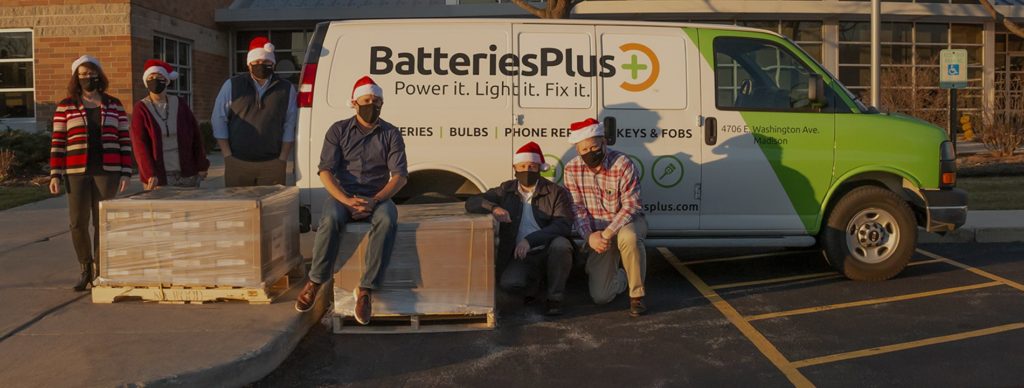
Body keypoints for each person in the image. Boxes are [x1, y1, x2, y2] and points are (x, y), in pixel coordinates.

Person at [295, 76, 408, 326]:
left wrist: (375, 200)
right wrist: (346, 200)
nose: (372, 105)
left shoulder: (391, 133)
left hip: (376, 197)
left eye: (377, 101)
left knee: (388, 219)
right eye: (366, 100)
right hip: (343, 195)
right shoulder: (338, 130)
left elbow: (399, 177)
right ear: (355, 103)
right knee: (330, 219)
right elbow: (325, 171)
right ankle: (315, 280)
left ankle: (366, 289)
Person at [48, 55, 132, 291]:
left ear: (100, 76)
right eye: (83, 75)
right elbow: (58, 141)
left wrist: (126, 171)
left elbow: (124, 139)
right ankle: (86, 267)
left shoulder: (114, 104)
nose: (88, 78)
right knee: (77, 222)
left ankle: (102, 271)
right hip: (75, 171)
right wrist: (55, 173)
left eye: (92, 74)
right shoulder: (66, 105)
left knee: (103, 222)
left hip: (108, 171)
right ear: (76, 78)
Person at [466, 142, 575, 315]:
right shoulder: (506, 189)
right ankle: (535, 286)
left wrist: (530, 240)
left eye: (532, 166)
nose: (527, 170)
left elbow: (563, 224)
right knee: (508, 284)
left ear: (540, 168)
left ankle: (555, 297)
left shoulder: (555, 192)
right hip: (519, 254)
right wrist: (493, 208)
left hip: (545, 248)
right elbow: (472, 202)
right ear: (515, 167)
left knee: (561, 246)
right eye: (522, 166)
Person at [563, 118, 649, 317]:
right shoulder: (571, 169)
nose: (590, 153)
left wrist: (608, 233)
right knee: (601, 297)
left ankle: (637, 295)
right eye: (584, 150)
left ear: (604, 142)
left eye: (594, 147)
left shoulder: (622, 163)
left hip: (627, 221)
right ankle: (622, 276)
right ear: (578, 151)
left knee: (629, 238)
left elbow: (632, 205)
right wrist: (589, 236)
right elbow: (577, 209)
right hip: (597, 232)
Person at [210, 36, 296, 187]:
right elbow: (218, 118)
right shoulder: (232, 85)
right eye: (256, 62)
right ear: (249, 64)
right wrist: (227, 155)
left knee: (271, 209)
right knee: (239, 208)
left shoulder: (286, 89)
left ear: (273, 64)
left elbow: (290, 123)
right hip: (237, 162)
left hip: (272, 164)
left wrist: (283, 158)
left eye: (266, 62)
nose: (261, 65)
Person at [131, 59, 210, 189]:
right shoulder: (141, 108)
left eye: (159, 76)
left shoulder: (180, 103)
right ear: (146, 82)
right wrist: (149, 173)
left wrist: (201, 165)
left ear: (167, 80)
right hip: (159, 178)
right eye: (151, 77)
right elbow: (140, 144)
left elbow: (196, 136)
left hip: (187, 175)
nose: (155, 80)